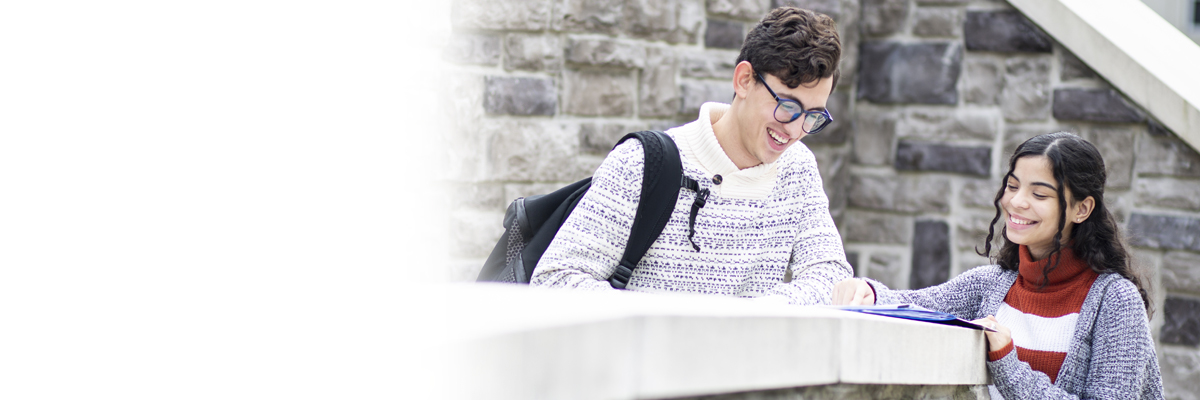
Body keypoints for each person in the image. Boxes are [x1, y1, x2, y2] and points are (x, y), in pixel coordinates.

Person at [529, 7, 851, 305]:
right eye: (787, 106)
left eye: (813, 116)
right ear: (744, 80)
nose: (795, 131)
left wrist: (753, 315)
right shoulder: (641, 163)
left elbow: (831, 276)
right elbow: (554, 280)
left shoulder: (798, 169)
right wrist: (674, 322)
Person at [832, 132, 1163, 399]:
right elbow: (916, 307)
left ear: (1082, 208)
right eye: (1014, 186)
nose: (1017, 202)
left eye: (1040, 194)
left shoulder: (1115, 301)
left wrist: (1008, 361)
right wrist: (868, 292)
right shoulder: (990, 285)